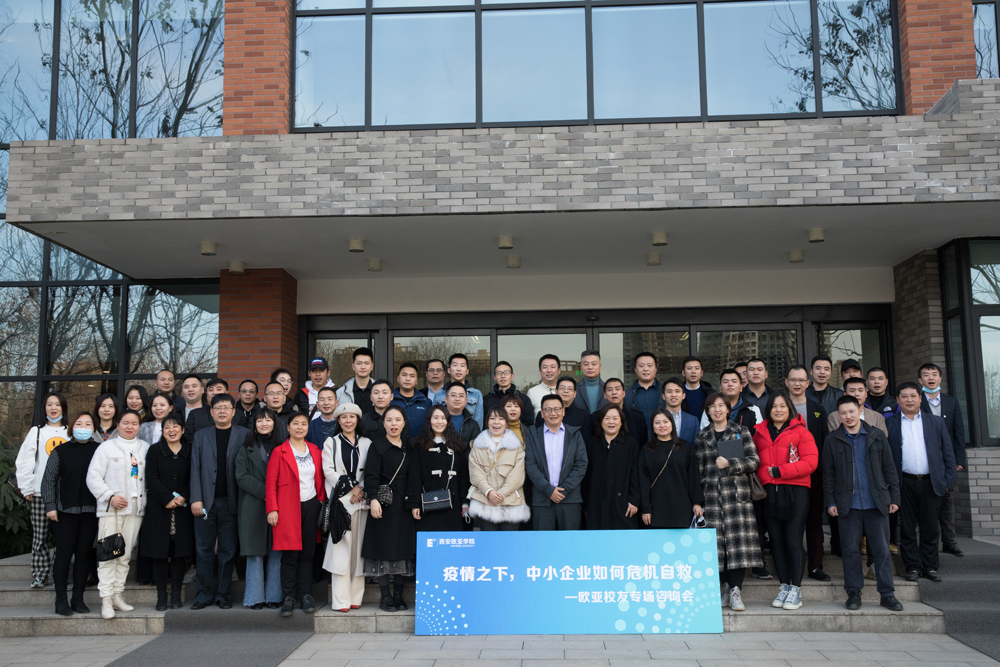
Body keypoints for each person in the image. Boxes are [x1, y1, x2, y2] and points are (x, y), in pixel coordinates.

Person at [823, 396, 903, 612]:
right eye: (843, 413)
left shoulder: (877, 436)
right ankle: (853, 593)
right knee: (850, 551)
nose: (848, 416)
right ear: (838, 415)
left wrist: (894, 498)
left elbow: (889, 469)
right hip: (847, 504)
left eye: (851, 411)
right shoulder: (832, 440)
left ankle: (887, 594)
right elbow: (828, 475)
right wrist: (830, 501)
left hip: (876, 503)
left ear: (860, 410)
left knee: (882, 551)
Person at [694, 392, 761, 613]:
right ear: (708, 411)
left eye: (721, 405)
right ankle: (723, 586)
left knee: (737, 545)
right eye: (712, 406)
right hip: (712, 496)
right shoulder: (702, 436)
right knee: (717, 546)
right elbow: (699, 469)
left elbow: (754, 461)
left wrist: (730, 464)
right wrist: (698, 499)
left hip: (737, 497)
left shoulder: (740, 431)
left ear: (728, 408)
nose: (717, 410)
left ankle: (735, 590)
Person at [752, 392, 818, 611]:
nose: (778, 410)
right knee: (777, 541)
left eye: (782, 406)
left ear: (790, 408)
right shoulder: (759, 433)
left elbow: (811, 462)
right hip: (770, 492)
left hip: (795, 491)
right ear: (768, 410)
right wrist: (767, 477)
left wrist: (781, 471)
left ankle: (795, 589)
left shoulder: (801, 432)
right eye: (774, 406)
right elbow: (753, 461)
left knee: (793, 539)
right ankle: (784, 586)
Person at [887, 382, 956, 583]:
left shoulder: (936, 422)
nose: (909, 400)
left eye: (913, 396)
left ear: (920, 398)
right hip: (904, 482)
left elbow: (948, 453)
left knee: (930, 527)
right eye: (904, 396)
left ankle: (930, 567)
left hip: (930, 482)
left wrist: (948, 481)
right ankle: (912, 566)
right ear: (898, 400)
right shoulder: (890, 424)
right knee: (906, 528)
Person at [189, 393, 250, 610]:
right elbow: (195, 468)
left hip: (232, 502)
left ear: (234, 412)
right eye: (218, 408)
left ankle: (223, 594)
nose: (222, 411)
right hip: (206, 502)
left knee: (228, 550)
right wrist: (196, 498)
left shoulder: (244, 434)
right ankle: (203, 594)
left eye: (226, 407)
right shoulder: (201, 436)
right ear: (211, 412)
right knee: (203, 549)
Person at [85, 410, 148, 620]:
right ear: (118, 425)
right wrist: (109, 497)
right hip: (111, 509)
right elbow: (93, 477)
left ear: (139, 426)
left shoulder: (145, 448)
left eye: (134, 423)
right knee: (108, 554)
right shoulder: (106, 448)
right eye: (125, 422)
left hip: (136, 508)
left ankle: (117, 596)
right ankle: (106, 599)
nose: (130, 427)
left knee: (125, 555)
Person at [266, 412, 325, 617]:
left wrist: (320, 500)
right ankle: (289, 598)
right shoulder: (279, 452)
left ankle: (306, 595)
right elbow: (270, 483)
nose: (300, 427)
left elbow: (321, 478)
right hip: (287, 508)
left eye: (304, 424)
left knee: (308, 553)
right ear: (288, 427)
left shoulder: (315, 450)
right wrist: (272, 509)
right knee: (290, 555)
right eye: (296, 424)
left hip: (311, 506)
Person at [41, 412, 100, 616]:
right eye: (79, 423)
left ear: (93, 429)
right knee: (63, 555)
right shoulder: (60, 451)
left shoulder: (99, 450)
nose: (83, 427)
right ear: (72, 427)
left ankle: (78, 598)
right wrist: (50, 506)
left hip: (91, 511)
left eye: (88, 424)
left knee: (84, 555)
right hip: (64, 511)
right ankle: (60, 600)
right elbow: (48, 480)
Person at [362, 406, 416, 612]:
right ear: (383, 423)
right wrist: (373, 499)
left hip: (404, 505)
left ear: (404, 423)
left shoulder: (409, 447)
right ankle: (385, 597)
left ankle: (399, 596)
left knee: (402, 548)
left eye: (398, 420)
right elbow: (371, 475)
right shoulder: (377, 446)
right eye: (389, 420)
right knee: (382, 548)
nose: (394, 424)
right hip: (384, 504)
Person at [140, 415, 194, 611]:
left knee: (179, 553)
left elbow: (194, 476)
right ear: (162, 432)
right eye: (167, 427)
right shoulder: (155, 450)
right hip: (159, 508)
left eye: (175, 426)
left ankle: (177, 594)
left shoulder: (190, 450)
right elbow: (151, 477)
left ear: (182, 430)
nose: (172, 430)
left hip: (182, 509)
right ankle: (161, 596)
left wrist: (184, 496)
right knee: (159, 553)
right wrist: (167, 498)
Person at [16, 392, 69, 589]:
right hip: (40, 493)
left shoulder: (70, 431)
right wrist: (26, 486)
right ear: (44, 408)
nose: (53, 408)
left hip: (65, 494)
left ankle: (60, 575)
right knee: (40, 537)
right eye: (49, 404)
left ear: (63, 408)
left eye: (57, 404)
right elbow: (25, 460)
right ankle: (40, 575)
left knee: (64, 538)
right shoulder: (37, 432)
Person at [321, 403, 372, 613]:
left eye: (352, 417)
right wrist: (352, 489)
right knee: (341, 551)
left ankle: (355, 597)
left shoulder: (367, 442)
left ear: (357, 420)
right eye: (344, 417)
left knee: (359, 550)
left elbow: (371, 470)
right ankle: (341, 600)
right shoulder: (331, 442)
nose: (348, 421)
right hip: (342, 502)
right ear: (338, 421)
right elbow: (328, 471)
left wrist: (361, 490)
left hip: (362, 502)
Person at [784, 365, 833, 580]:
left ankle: (815, 566)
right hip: (786, 475)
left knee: (814, 520)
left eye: (801, 380)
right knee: (789, 521)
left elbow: (824, 441)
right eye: (793, 380)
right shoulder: (779, 407)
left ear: (808, 383)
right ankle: (788, 566)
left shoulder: (817, 408)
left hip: (813, 474)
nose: (797, 383)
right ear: (786, 382)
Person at [235, 408, 284, 610]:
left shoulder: (283, 447)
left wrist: (274, 496)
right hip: (252, 505)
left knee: (276, 550)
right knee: (254, 552)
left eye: (268, 420)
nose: (264, 424)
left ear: (274, 423)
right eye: (260, 420)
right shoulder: (245, 449)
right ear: (254, 425)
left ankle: (274, 596)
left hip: (279, 506)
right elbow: (241, 477)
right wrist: (268, 493)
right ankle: (254, 598)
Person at [918, 363, 966, 558]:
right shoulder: (916, 401)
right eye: (926, 375)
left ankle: (949, 541)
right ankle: (926, 543)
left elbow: (958, 433)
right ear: (920, 380)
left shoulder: (951, 402)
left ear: (940, 378)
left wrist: (959, 459)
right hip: (923, 460)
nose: (930, 378)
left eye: (934, 374)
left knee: (947, 502)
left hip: (946, 461)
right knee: (925, 504)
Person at [524, 394, 588, 531]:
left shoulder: (575, 434)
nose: (553, 413)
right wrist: (548, 490)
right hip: (542, 501)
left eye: (557, 409)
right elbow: (530, 464)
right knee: (543, 542)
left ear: (563, 411)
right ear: (542, 413)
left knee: (569, 541)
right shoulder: (534, 435)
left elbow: (581, 464)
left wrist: (565, 490)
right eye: (548, 409)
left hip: (570, 500)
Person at [407, 405, 470, 532]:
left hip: (454, 504)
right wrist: (415, 504)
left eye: (443, 418)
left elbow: (463, 477)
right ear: (429, 420)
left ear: (448, 421)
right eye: (435, 418)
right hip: (428, 503)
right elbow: (415, 477)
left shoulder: (456, 446)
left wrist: (464, 502)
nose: (439, 422)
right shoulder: (419, 446)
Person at [639, 409, 704, 529]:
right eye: (657, 422)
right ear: (652, 427)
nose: (662, 425)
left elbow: (693, 476)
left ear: (672, 424)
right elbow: (644, 481)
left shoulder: (685, 447)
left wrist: (696, 502)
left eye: (665, 421)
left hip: (682, 507)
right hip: (656, 509)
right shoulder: (646, 450)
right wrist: (646, 508)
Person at [468, 406, 530, 530]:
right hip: (484, 502)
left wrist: (501, 494)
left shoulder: (517, 447)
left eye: (501, 419)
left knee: (509, 541)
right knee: (489, 541)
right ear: (487, 422)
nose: (496, 422)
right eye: (492, 418)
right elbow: (475, 473)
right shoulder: (477, 446)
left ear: (506, 423)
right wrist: (489, 492)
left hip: (511, 503)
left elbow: (517, 475)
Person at [583, 404, 639, 530]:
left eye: (615, 418)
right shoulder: (591, 444)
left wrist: (634, 500)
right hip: (596, 504)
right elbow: (586, 476)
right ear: (600, 421)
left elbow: (635, 474)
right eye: (607, 418)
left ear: (621, 422)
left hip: (623, 504)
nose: (611, 422)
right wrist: (586, 505)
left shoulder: (630, 444)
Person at [594, 378, 647, 445]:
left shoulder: (637, 417)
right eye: (610, 390)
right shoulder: (596, 417)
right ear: (605, 395)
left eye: (617, 389)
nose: (614, 392)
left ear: (623, 393)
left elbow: (643, 443)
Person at [484, 361, 535, 426]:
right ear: (494, 377)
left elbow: (529, 424)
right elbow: (484, 424)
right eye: (499, 373)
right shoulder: (487, 400)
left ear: (512, 376)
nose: (503, 376)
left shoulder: (523, 399)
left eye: (506, 373)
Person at [624, 352, 665, 430]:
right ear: (635, 370)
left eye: (649, 365)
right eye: (641, 366)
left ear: (655, 369)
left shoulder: (666, 392)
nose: (645, 369)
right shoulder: (626, 395)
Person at [184, 378, 228, 446]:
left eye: (219, 389)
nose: (214, 392)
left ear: (226, 393)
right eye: (210, 390)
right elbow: (188, 439)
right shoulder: (194, 414)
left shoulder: (237, 414)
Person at [391, 362, 433, 434]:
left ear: (416, 381)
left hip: (419, 441)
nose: (408, 379)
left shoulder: (426, 402)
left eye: (412, 376)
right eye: (404, 375)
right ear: (398, 378)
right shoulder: (390, 400)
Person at [442, 381, 482, 447]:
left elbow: (474, 448)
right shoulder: (436, 421)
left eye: (461, 396)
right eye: (453, 395)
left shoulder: (473, 425)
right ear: (446, 399)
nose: (457, 399)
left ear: (466, 401)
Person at [335, 347, 375, 413]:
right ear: (353, 366)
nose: (363, 367)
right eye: (359, 363)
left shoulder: (380, 391)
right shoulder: (341, 393)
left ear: (372, 366)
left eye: (366, 363)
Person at [662, 377, 699, 443]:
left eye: (677, 391)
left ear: (683, 396)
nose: (673, 395)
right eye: (669, 391)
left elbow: (696, 445)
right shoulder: (656, 420)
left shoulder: (693, 421)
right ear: (663, 396)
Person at [574, 350, 607, 414]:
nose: (590, 367)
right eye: (586, 364)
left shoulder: (607, 389)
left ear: (600, 367)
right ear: (581, 367)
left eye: (594, 364)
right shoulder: (574, 389)